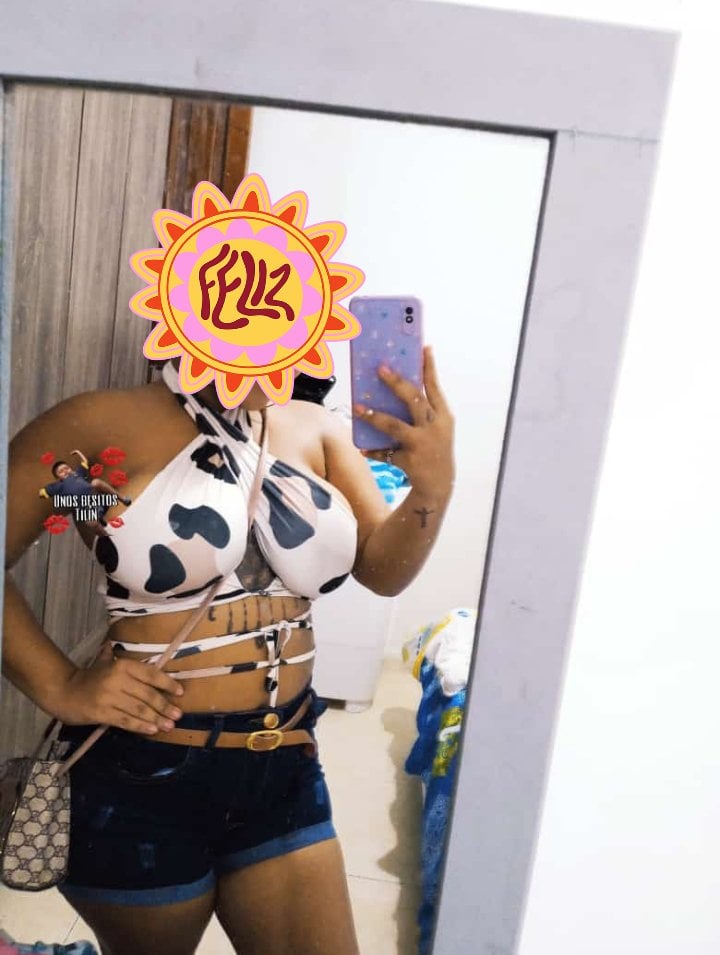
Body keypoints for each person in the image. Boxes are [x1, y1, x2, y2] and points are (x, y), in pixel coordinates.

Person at [2, 348, 454, 955]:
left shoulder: (316, 429)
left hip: (284, 761)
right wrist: (59, 685)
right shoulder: (96, 433)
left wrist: (433, 486)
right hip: (141, 773)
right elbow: (59, 521)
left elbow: (383, 572)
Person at [39, 450, 131, 539]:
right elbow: (42, 493)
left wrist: (78, 452)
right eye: (61, 471)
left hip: (99, 499)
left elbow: (85, 462)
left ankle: (123, 499)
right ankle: (106, 536)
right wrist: (44, 492)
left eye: (67, 468)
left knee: (96, 482)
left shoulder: (77, 474)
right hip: (87, 509)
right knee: (91, 523)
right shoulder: (57, 486)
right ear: (58, 477)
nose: (65, 471)